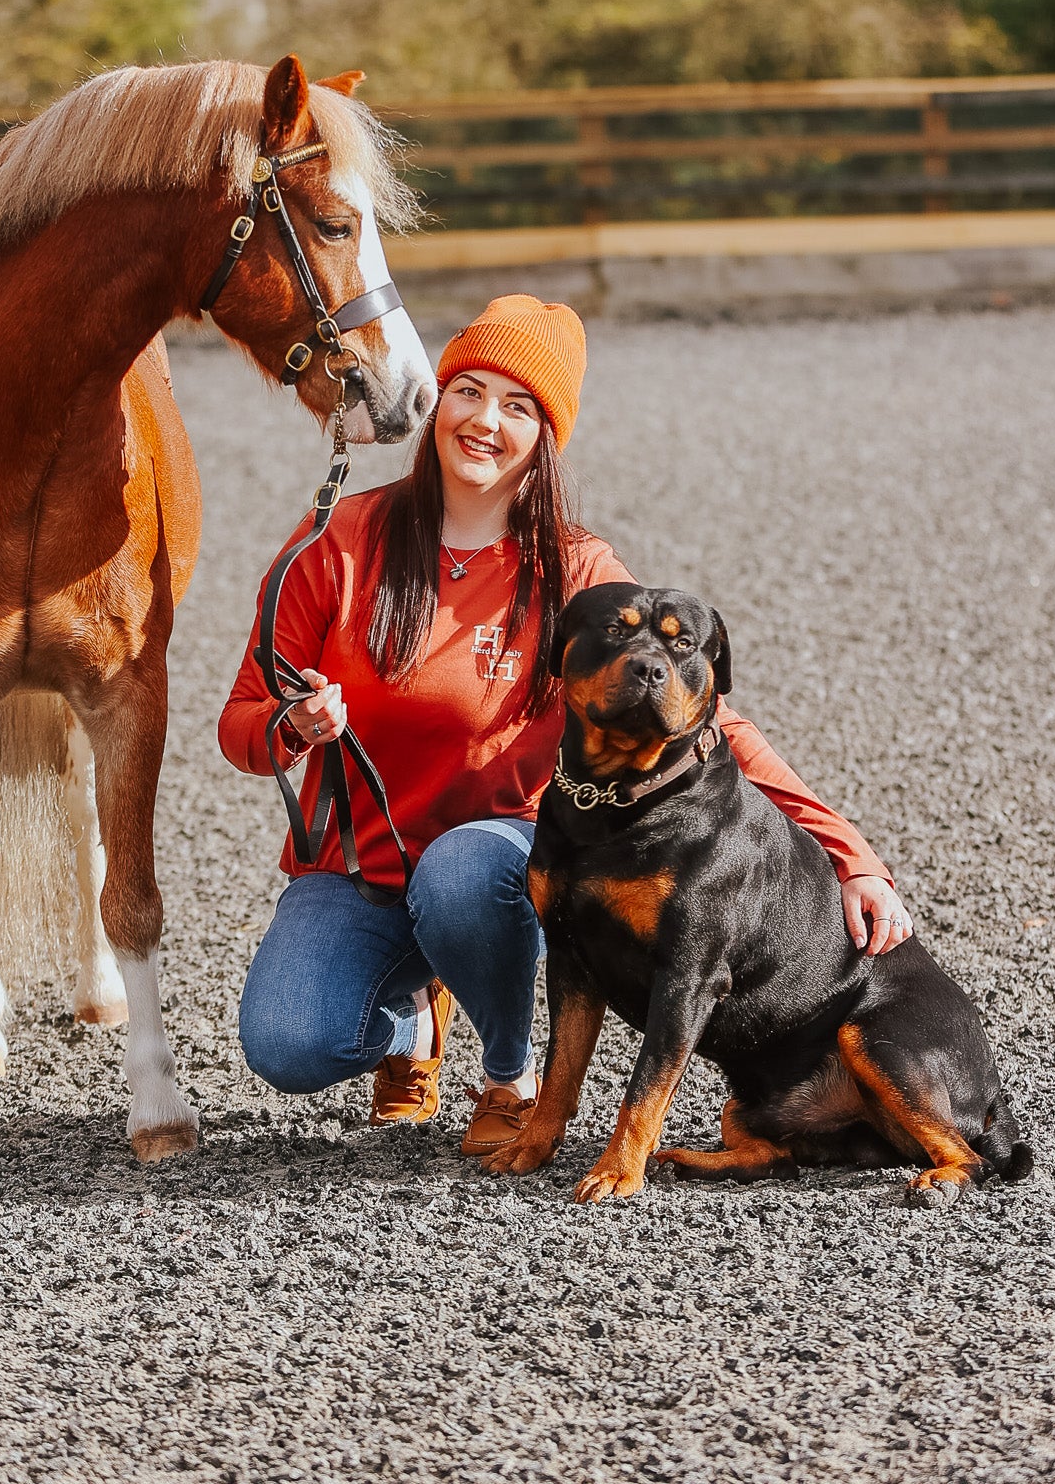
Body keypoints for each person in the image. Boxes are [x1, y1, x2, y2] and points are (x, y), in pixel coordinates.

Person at [219, 295, 913, 1155]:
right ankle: (415, 1031)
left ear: (545, 438)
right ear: (436, 401)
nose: (484, 421)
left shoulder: (576, 569)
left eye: (518, 408)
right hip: (355, 867)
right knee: (289, 1044)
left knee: (464, 870)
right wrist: (293, 723)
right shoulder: (341, 542)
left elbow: (705, 724)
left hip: (497, 861)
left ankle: (507, 1079)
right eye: (468, 391)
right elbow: (239, 728)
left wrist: (850, 855)